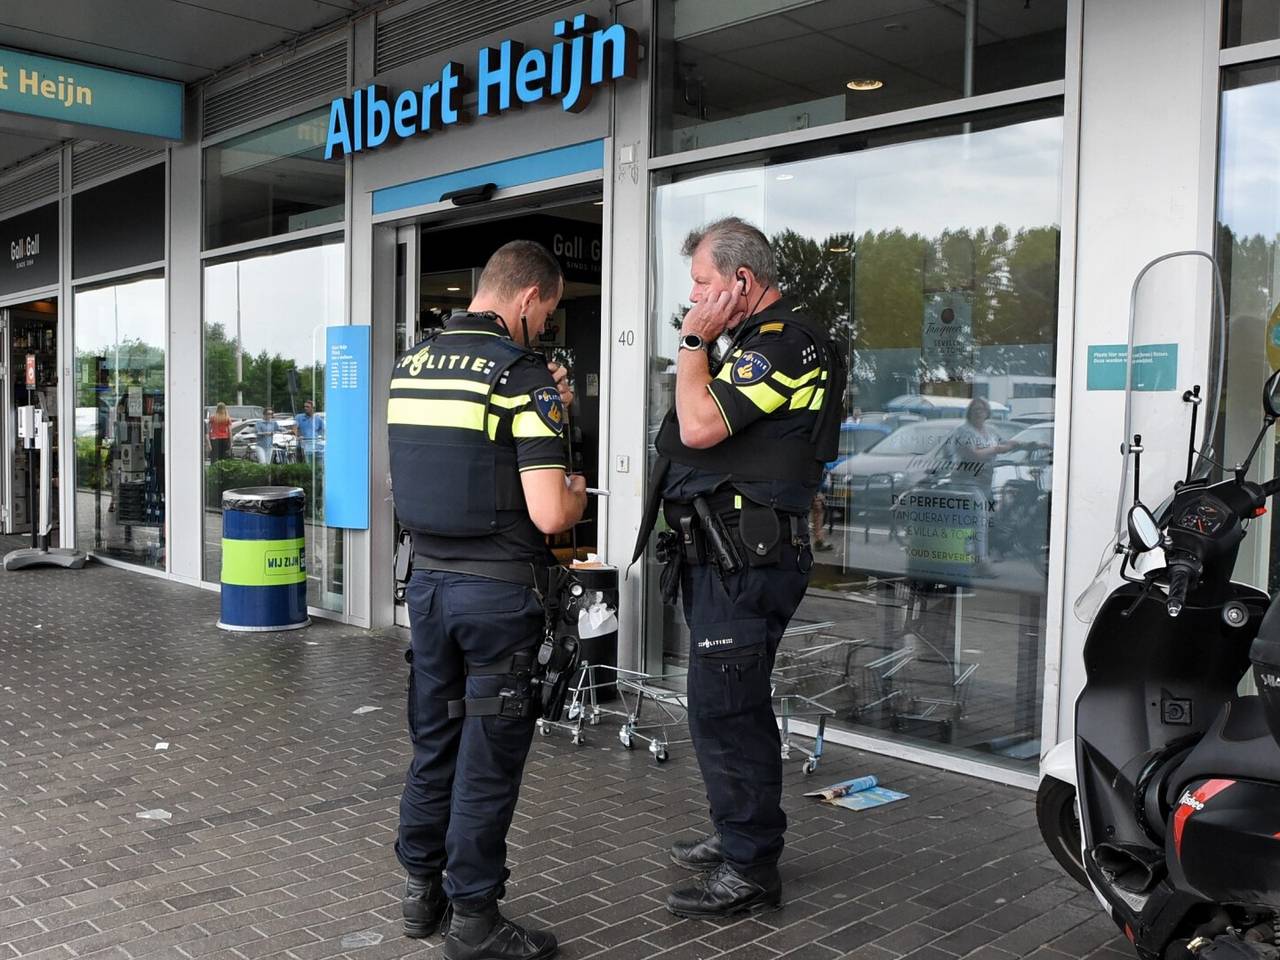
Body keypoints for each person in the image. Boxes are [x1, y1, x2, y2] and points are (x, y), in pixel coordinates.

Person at [631, 217, 846, 919]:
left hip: (746, 562)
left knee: (728, 712)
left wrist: (693, 342)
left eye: (701, 282)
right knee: (723, 708)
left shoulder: (785, 344)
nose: (693, 298)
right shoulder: (753, 345)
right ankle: (738, 836)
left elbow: (698, 427)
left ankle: (751, 867)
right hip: (725, 558)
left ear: (742, 281)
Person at [388, 240, 585, 960]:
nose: (547, 328)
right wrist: (574, 484)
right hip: (498, 597)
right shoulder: (521, 376)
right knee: (487, 756)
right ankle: (474, 919)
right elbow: (550, 514)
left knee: (433, 741)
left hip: (430, 592)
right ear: (528, 298)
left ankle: (421, 892)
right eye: (550, 313)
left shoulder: (411, 365)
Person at [943, 396, 1017, 575]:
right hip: (965, 482)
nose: (978, 412)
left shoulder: (989, 431)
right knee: (980, 519)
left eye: (982, 409)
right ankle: (981, 563)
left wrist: (1029, 444)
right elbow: (973, 455)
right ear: (970, 412)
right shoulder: (963, 431)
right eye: (975, 409)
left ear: (987, 412)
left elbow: (1005, 443)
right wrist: (997, 450)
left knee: (985, 520)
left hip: (985, 482)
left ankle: (970, 555)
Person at [294, 398, 324, 463]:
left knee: (318, 464)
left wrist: (320, 437)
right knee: (306, 464)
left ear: (313, 408)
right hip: (302, 445)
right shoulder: (299, 417)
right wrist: (297, 436)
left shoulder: (318, 419)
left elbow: (322, 431)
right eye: (305, 406)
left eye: (307, 407)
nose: (305, 408)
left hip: (315, 445)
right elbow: (294, 428)